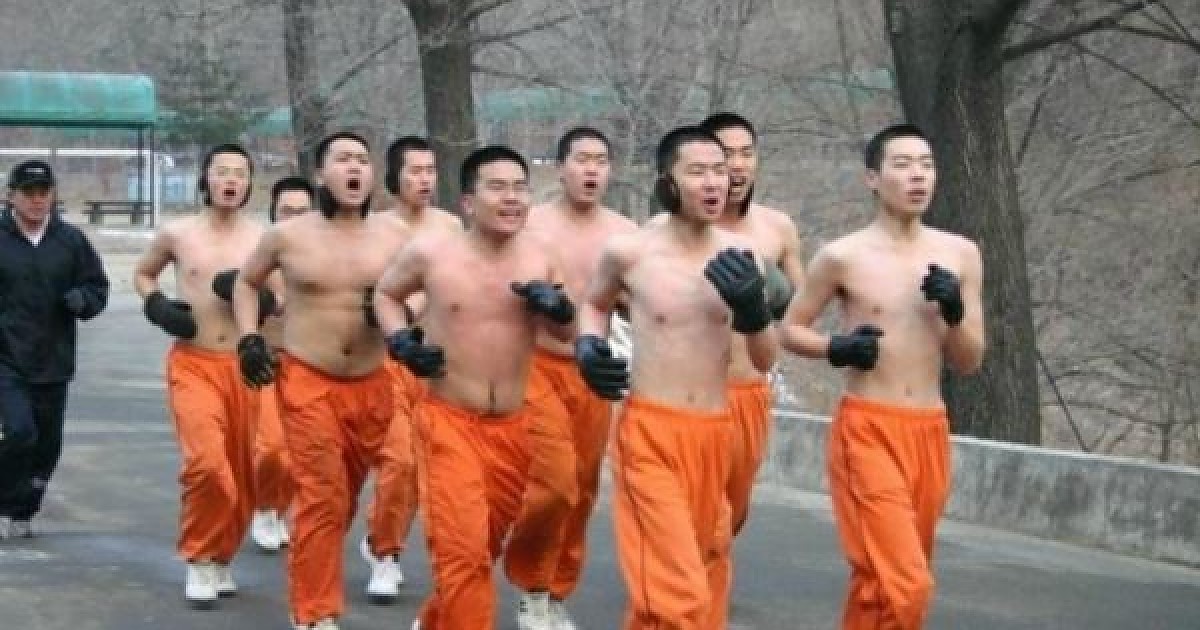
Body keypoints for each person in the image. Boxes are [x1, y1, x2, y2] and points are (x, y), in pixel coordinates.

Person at [780, 123, 985, 630]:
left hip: (928, 429)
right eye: (903, 164)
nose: (918, 176)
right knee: (907, 582)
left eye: (926, 165)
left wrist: (954, 311)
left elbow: (969, 360)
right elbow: (791, 330)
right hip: (868, 427)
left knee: (880, 582)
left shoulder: (960, 254)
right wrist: (838, 347)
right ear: (872, 178)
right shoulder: (843, 256)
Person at [574, 126, 777, 629]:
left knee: (705, 571)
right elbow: (594, 305)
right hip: (652, 433)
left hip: (715, 433)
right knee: (675, 588)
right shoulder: (631, 252)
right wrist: (589, 345)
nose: (714, 182)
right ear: (669, 180)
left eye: (720, 171)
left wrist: (754, 311)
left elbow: (765, 358)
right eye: (698, 172)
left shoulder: (744, 256)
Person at [373, 145, 576, 629]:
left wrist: (559, 308)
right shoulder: (432, 253)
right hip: (449, 420)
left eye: (520, 187)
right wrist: (400, 340)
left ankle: (436, 620)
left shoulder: (542, 257)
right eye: (497, 187)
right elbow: (386, 294)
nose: (512, 198)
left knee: (482, 546)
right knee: (462, 550)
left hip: (513, 426)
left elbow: (567, 333)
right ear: (467, 201)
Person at [231, 131, 410, 630]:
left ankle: (316, 578)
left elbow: (418, 295)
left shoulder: (395, 236)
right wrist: (249, 338)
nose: (354, 168)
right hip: (309, 378)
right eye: (343, 159)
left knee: (342, 497)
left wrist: (401, 317)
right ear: (320, 174)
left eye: (362, 160)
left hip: (372, 381)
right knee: (322, 494)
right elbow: (246, 282)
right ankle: (314, 611)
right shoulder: (289, 236)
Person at [503, 127, 636, 630]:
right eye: (581, 159)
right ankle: (530, 580)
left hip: (592, 371)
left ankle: (553, 591)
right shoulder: (530, 224)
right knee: (553, 482)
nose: (591, 170)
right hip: (537, 364)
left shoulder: (625, 234)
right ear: (561, 167)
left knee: (581, 488)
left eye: (600, 160)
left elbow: (637, 301)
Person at [133, 144, 271, 608]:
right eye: (221, 172)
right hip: (194, 363)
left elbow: (281, 298)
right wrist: (157, 304)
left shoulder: (262, 239)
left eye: (239, 173)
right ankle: (198, 556)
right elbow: (144, 274)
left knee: (243, 473)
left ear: (249, 184)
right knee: (208, 466)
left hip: (244, 365)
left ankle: (221, 554)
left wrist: (257, 299)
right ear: (205, 180)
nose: (230, 180)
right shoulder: (179, 233)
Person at [359, 135, 463, 603]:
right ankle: (384, 553)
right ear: (393, 177)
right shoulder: (375, 228)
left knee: (425, 465)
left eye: (430, 171)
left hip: (437, 363)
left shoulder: (451, 226)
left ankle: (386, 538)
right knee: (397, 460)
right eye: (415, 171)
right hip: (388, 359)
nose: (425, 179)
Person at [697, 112, 805, 537]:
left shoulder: (777, 228)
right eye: (726, 155)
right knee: (697, 514)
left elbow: (799, 314)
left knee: (731, 515)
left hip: (748, 390)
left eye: (746, 153)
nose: (738, 165)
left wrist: (769, 296)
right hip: (691, 393)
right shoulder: (677, 230)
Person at [0, 160, 109, 539]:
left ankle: (24, 509)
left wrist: (83, 299)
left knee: (47, 445)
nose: (36, 200)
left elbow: (97, 287)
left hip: (53, 359)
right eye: (28, 192)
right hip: (6, 358)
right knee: (19, 431)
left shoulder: (70, 241)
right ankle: (5, 501)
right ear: (10, 196)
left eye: (43, 192)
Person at [215, 175, 315, 553]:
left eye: (303, 211)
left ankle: (277, 507)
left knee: (300, 453)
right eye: (287, 211)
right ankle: (264, 505)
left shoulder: (325, 257)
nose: (294, 218)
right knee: (272, 446)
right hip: (267, 362)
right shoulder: (260, 255)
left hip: (311, 365)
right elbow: (228, 285)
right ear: (273, 213)